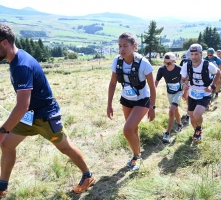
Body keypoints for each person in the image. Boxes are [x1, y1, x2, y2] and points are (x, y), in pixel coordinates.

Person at [0, 23, 95, 198]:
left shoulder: (21, 65)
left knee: (65, 148)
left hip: (45, 117)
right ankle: (2, 187)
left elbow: (22, 105)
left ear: (4, 43)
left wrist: (3, 129)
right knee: (6, 144)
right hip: (28, 117)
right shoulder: (15, 60)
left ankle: (88, 176)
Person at [107, 32, 156, 171]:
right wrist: (109, 104)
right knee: (133, 129)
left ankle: (137, 157)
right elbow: (112, 84)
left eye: (125, 46)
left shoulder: (143, 63)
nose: (122, 49)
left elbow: (152, 86)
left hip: (142, 100)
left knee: (127, 130)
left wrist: (152, 107)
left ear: (134, 46)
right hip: (126, 99)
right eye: (119, 46)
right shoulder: (117, 61)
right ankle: (137, 154)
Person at [180, 44, 221, 142]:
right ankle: (197, 132)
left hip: (204, 94)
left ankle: (199, 128)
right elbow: (182, 79)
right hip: (192, 94)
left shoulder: (207, 65)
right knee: (192, 117)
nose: (193, 57)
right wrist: (183, 86)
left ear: (201, 54)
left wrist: (212, 86)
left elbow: (218, 73)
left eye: (196, 54)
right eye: (192, 54)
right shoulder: (187, 65)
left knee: (197, 114)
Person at [155, 52, 183, 143]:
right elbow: (156, 81)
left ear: (174, 61)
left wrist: (185, 90)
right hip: (169, 93)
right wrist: (153, 92)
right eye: (165, 63)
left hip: (179, 91)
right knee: (175, 110)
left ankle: (167, 133)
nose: (166, 65)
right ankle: (179, 124)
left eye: (169, 63)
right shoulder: (162, 69)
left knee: (171, 111)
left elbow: (185, 80)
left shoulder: (179, 69)